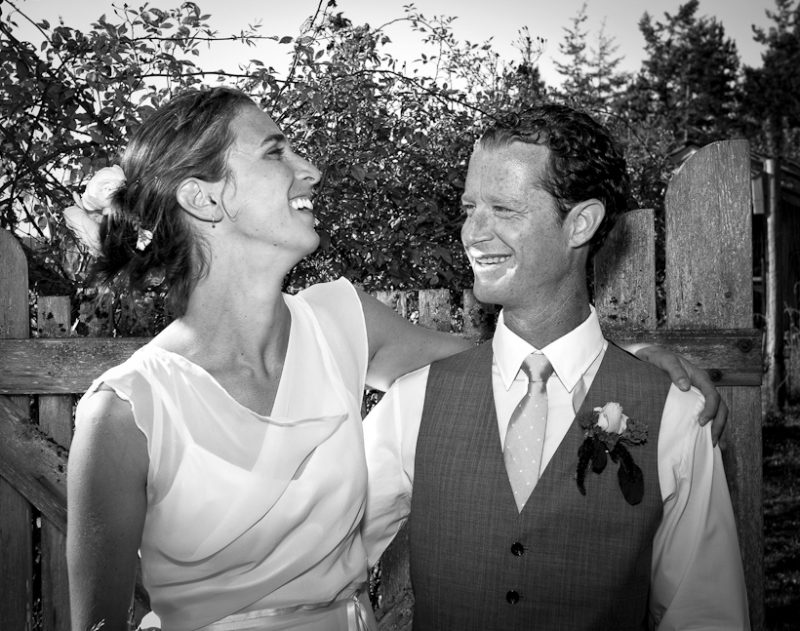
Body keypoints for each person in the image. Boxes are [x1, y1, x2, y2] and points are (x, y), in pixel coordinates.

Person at [65, 88, 725, 631]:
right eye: (274, 152)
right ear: (204, 198)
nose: (310, 169)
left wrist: (623, 360)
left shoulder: (340, 322)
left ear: (581, 221)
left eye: (503, 208)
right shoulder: (127, 410)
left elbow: (504, 364)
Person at [362, 104, 749, 630]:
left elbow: (706, 616)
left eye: (503, 209)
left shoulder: (677, 414)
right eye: (469, 207)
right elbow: (310, 559)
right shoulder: (413, 403)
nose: (473, 233)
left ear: (580, 223)